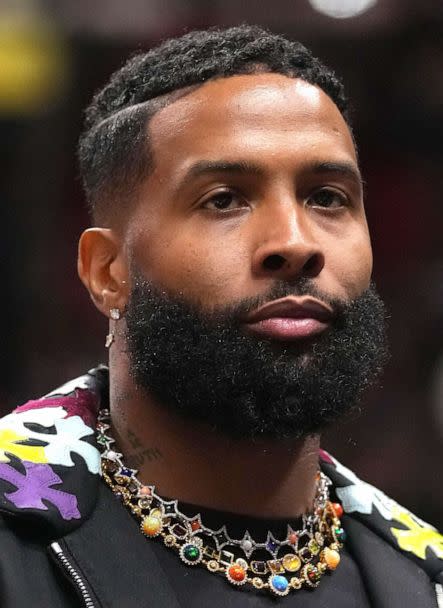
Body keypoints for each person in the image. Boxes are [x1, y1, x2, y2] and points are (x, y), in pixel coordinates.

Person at [0, 25, 441, 608]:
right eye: (224, 199)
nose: (295, 241)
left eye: (327, 197)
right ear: (107, 271)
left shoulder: (425, 576)